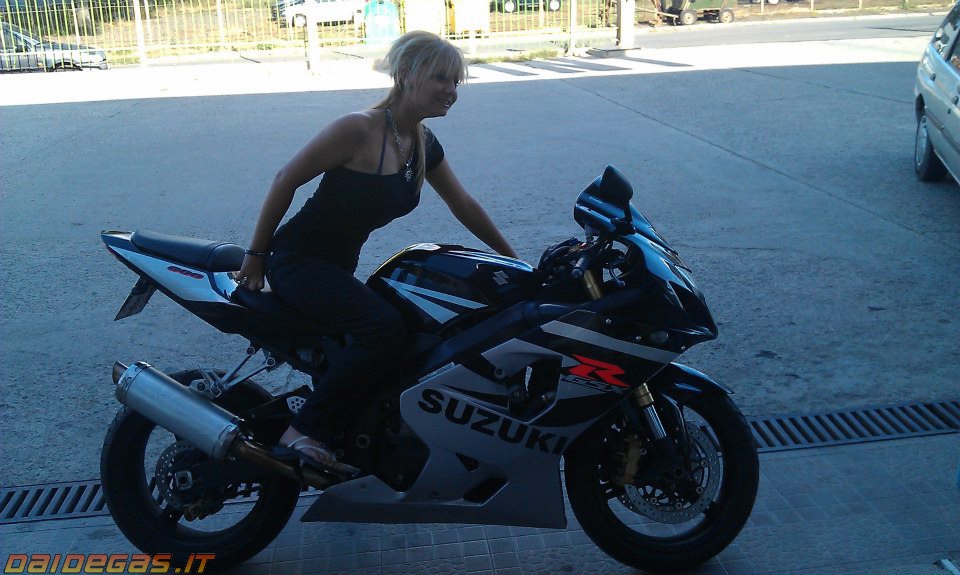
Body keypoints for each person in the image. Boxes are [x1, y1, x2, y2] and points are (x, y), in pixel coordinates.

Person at [234, 31, 517, 476]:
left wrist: (515, 263)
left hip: (337, 267)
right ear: (406, 75)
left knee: (415, 323)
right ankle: (303, 431)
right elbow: (286, 179)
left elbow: (464, 204)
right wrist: (255, 256)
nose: (451, 90)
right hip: (297, 261)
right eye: (441, 78)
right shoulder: (358, 129)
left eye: (456, 81)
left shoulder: (421, 143)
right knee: (383, 329)